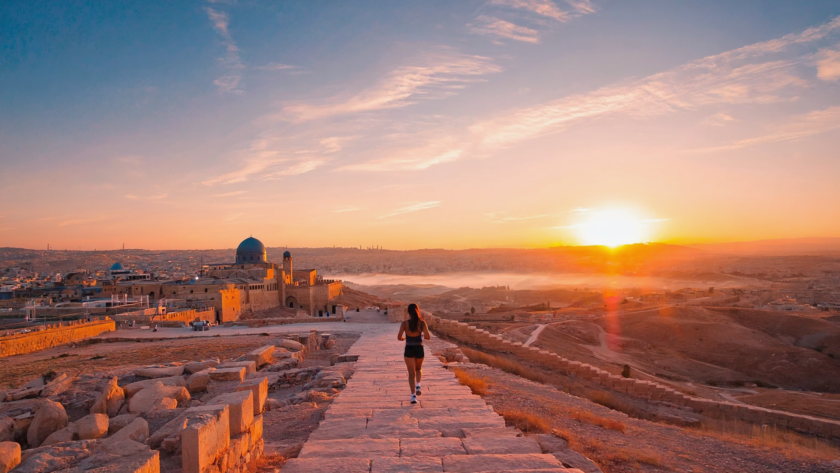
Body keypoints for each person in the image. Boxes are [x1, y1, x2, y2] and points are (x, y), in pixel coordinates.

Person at [397, 303, 430, 404]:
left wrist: (403, 338)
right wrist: (422, 335)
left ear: (408, 312)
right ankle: (418, 385)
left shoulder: (404, 323)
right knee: (418, 369)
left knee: (411, 374)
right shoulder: (422, 323)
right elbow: (428, 336)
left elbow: (399, 337)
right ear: (417, 311)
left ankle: (413, 396)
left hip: (409, 349)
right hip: (419, 348)